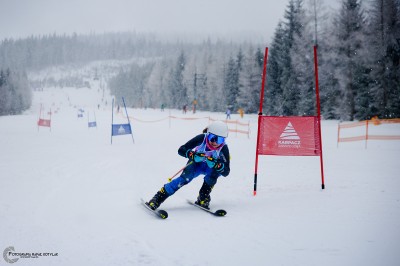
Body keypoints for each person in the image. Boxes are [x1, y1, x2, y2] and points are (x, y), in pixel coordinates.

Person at [146, 121, 230, 210]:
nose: (215, 142)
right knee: (184, 179)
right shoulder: (202, 138)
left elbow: (226, 172)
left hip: (210, 168)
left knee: (213, 176)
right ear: (207, 134)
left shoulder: (223, 148)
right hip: (196, 164)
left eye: (220, 140)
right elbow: (181, 149)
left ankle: (203, 197)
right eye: (212, 138)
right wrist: (192, 155)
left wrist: (217, 165)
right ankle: (158, 198)